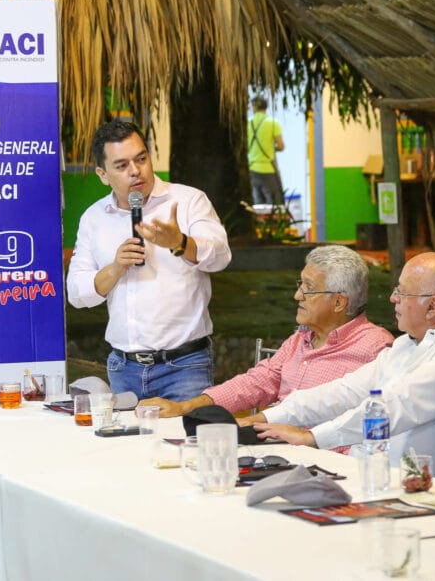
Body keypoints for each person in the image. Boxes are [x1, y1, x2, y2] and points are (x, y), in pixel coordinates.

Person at [246, 252, 435, 479]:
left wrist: (312, 437)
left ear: (432, 306)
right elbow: (345, 390)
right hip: (366, 475)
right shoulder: (407, 344)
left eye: (402, 293)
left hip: (413, 489)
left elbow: (397, 405)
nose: (392, 298)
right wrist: (267, 418)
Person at [67, 120, 231, 402]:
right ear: (103, 174)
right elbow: (77, 294)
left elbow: (220, 256)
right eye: (121, 166)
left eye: (141, 159)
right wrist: (116, 268)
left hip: (184, 366)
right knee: (127, 446)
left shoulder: (189, 200)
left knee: (186, 443)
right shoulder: (94, 218)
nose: (135, 171)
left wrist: (180, 243)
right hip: (123, 368)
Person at [139, 245, 393, 417]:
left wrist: (258, 424)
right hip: (277, 448)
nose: (297, 295)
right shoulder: (300, 339)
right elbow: (255, 383)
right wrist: (186, 407)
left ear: (339, 302)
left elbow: (362, 424)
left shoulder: (376, 350)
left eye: (308, 287)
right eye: (299, 284)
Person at [247, 95, 284, 205]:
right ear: (266, 107)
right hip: (268, 168)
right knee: (273, 203)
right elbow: (281, 146)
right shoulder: (273, 123)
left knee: (258, 202)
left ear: (254, 106)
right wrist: (271, 148)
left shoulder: (248, 123)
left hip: (252, 168)